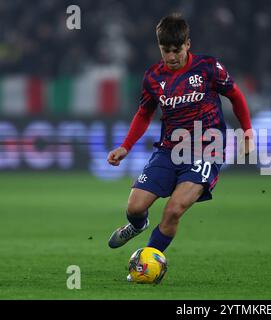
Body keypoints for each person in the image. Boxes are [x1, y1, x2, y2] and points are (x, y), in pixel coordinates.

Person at [106, 14, 253, 257]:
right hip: (169, 150)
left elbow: (235, 95)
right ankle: (137, 225)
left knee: (174, 209)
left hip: (207, 149)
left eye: (177, 49)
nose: (172, 56)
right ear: (159, 48)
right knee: (135, 206)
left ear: (188, 44)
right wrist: (126, 146)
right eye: (166, 50)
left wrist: (247, 131)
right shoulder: (153, 77)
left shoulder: (208, 68)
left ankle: (148, 260)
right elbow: (144, 113)